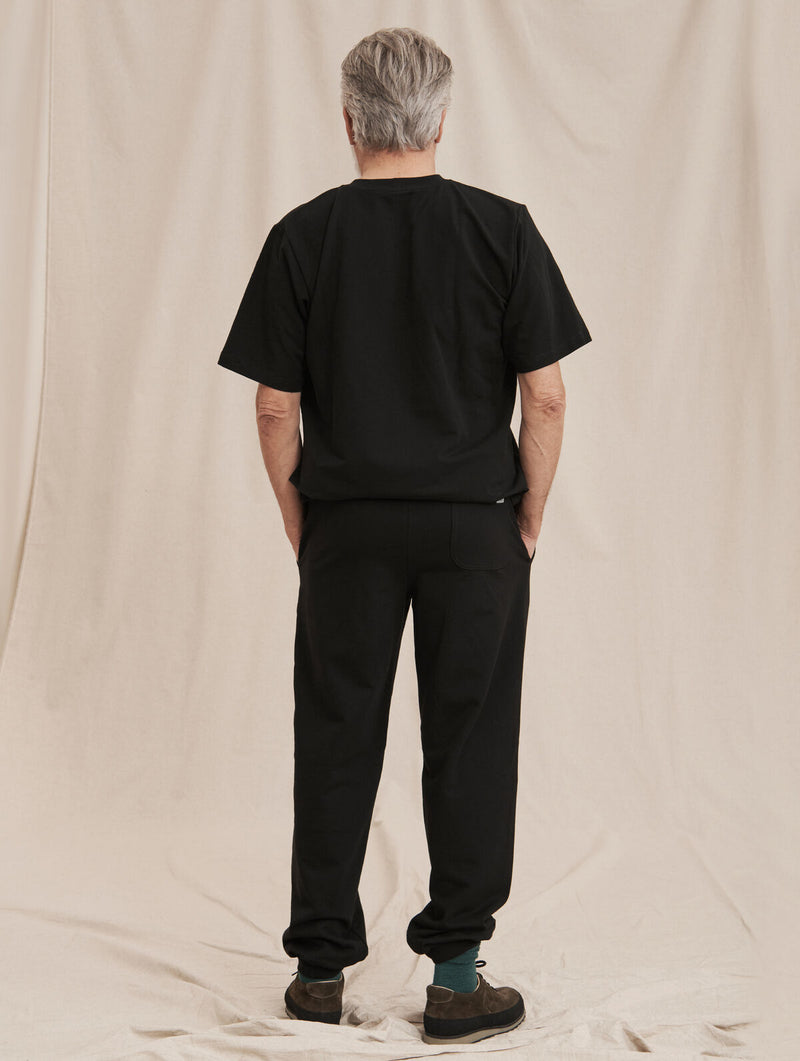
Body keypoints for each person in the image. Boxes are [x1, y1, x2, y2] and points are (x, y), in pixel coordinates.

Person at [217, 26, 592, 1046]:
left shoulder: (303, 235)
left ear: (349, 119)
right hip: (475, 526)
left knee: (335, 732)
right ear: (440, 118)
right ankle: (457, 979)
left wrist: (302, 520)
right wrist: (527, 513)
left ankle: (317, 971)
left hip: (347, 527)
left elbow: (273, 406)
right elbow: (547, 396)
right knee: (470, 740)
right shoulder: (502, 229)